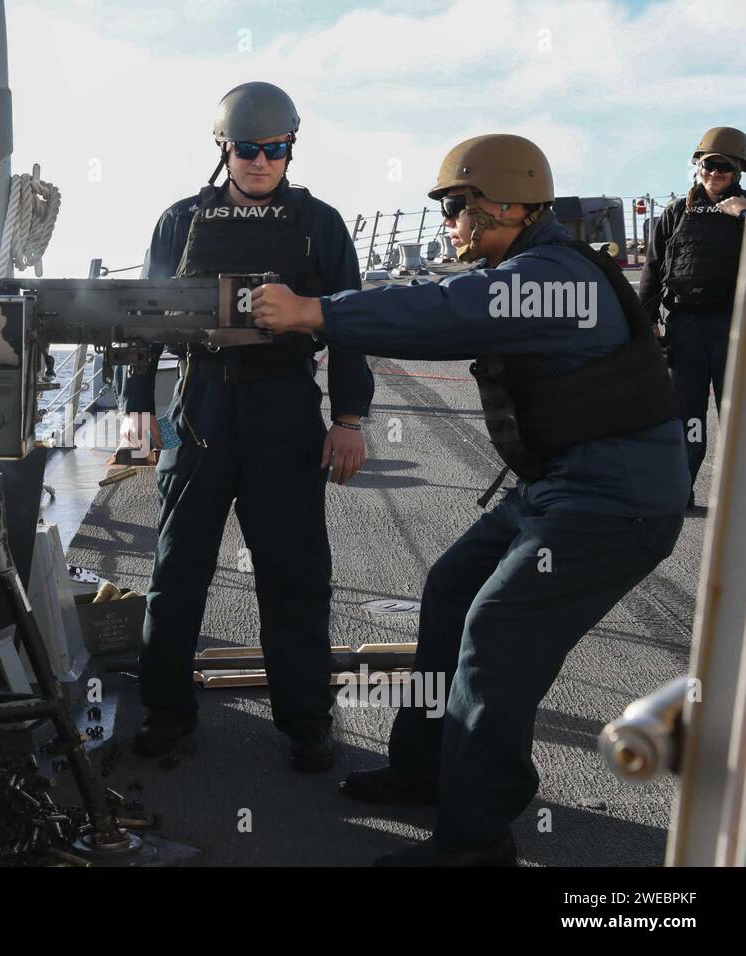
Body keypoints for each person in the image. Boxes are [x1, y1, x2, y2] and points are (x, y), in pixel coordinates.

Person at [251, 134, 687, 865]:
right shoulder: (532, 267)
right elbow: (448, 303)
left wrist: (314, 313)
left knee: (499, 631)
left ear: (504, 205)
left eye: (456, 206)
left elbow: (443, 313)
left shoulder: (553, 278)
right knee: (452, 589)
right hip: (560, 488)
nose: (449, 223)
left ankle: (477, 838)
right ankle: (429, 768)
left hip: (617, 502)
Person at [122, 82, 375, 772]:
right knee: (177, 571)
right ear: (224, 150)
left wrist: (349, 417)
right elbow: (144, 317)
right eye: (247, 149)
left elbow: (348, 323)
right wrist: (138, 408)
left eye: (275, 149)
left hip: (285, 410)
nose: (261, 161)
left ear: (291, 149)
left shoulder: (320, 225)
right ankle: (168, 711)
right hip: (201, 406)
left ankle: (305, 722)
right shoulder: (180, 222)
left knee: (295, 574)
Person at [640, 127, 746, 506]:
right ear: (697, 167)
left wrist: (743, 214)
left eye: (724, 168)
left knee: (736, 420)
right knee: (689, 418)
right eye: (708, 165)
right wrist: (646, 320)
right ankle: (679, 490)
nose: (714, 174)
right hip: (685, 328)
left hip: (733, 330)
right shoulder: (675, 212)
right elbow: (653, 270)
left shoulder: (743, 210)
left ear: (738, 172)